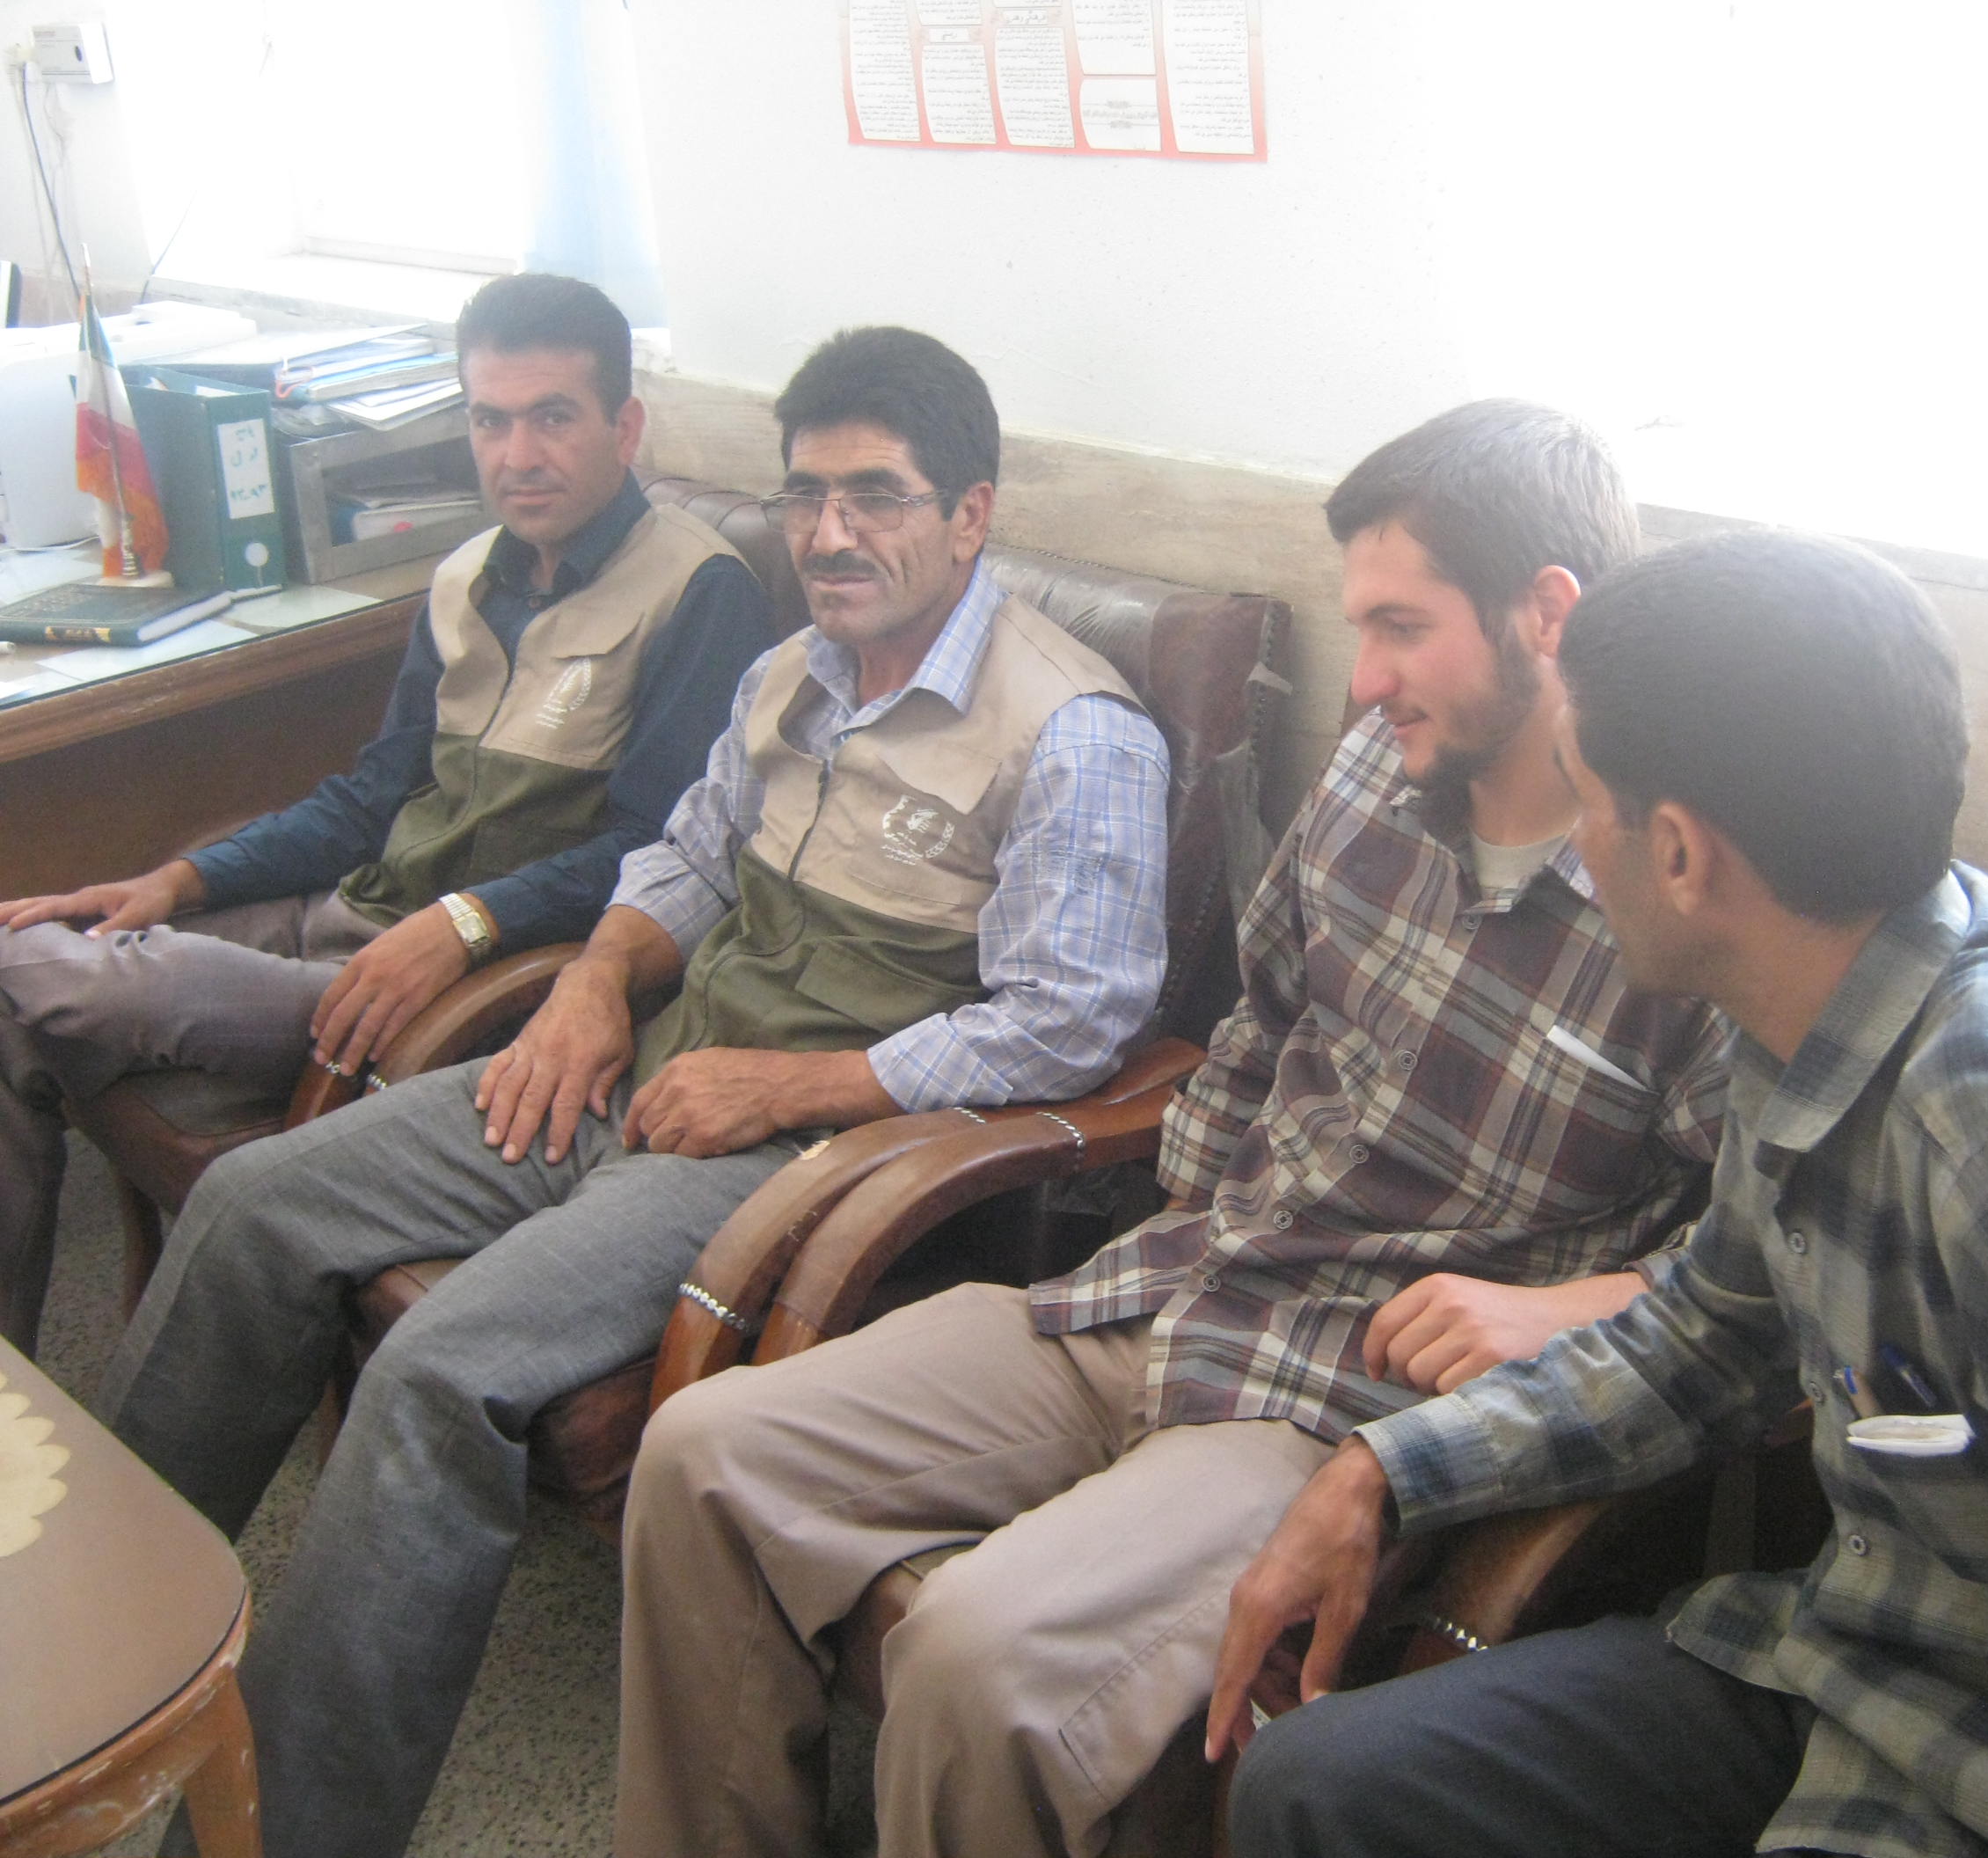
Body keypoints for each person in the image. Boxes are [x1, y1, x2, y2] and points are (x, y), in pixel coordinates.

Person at [1211, 530, 1988, 1858]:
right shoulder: (1819, 1000)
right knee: (1320, 1783)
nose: (1574, 840)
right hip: (1857, 1669)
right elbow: (1706, 1338)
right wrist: (1388, 1469)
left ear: (1681, 853)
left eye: (1582, 796)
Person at [95, 325, 1173, 1858]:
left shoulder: (1073, 730)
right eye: (806, 496)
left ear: (971, 514)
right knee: (254, 1202)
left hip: (806, 1155)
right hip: (643, 1065)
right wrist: (596, 981)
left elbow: (1076, 1019)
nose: (829, 535)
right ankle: (102, 1658)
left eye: (874, 496)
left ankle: (275, 1835)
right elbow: (684, 858)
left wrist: (790, 1086)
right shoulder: (792, 671)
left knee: (441, 1369)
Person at [613, 399, 1734, 1858]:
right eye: (1361, 627)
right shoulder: (1375, 773)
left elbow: (1781, 1265)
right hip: (1171, 1287)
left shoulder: (1686, 894)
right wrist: (1202, 1187)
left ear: (1548, 613)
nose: (1366, 677)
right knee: (703, 1452)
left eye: (1402, 628)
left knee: (979, 1661)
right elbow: (1263, 1019)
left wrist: (1584, 1302)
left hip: (1342, 1406)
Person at [0, 271, 775, 1350]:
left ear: (625, 427)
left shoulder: (699, 590)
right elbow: (371, 798)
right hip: (356, 910)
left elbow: (658, 852)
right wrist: (179, 882)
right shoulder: (465, 577)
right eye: (490, 421)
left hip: (455, 986)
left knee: (30, 976)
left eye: (553, 418)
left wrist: (465, 924)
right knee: (33, 964)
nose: (517, 454)